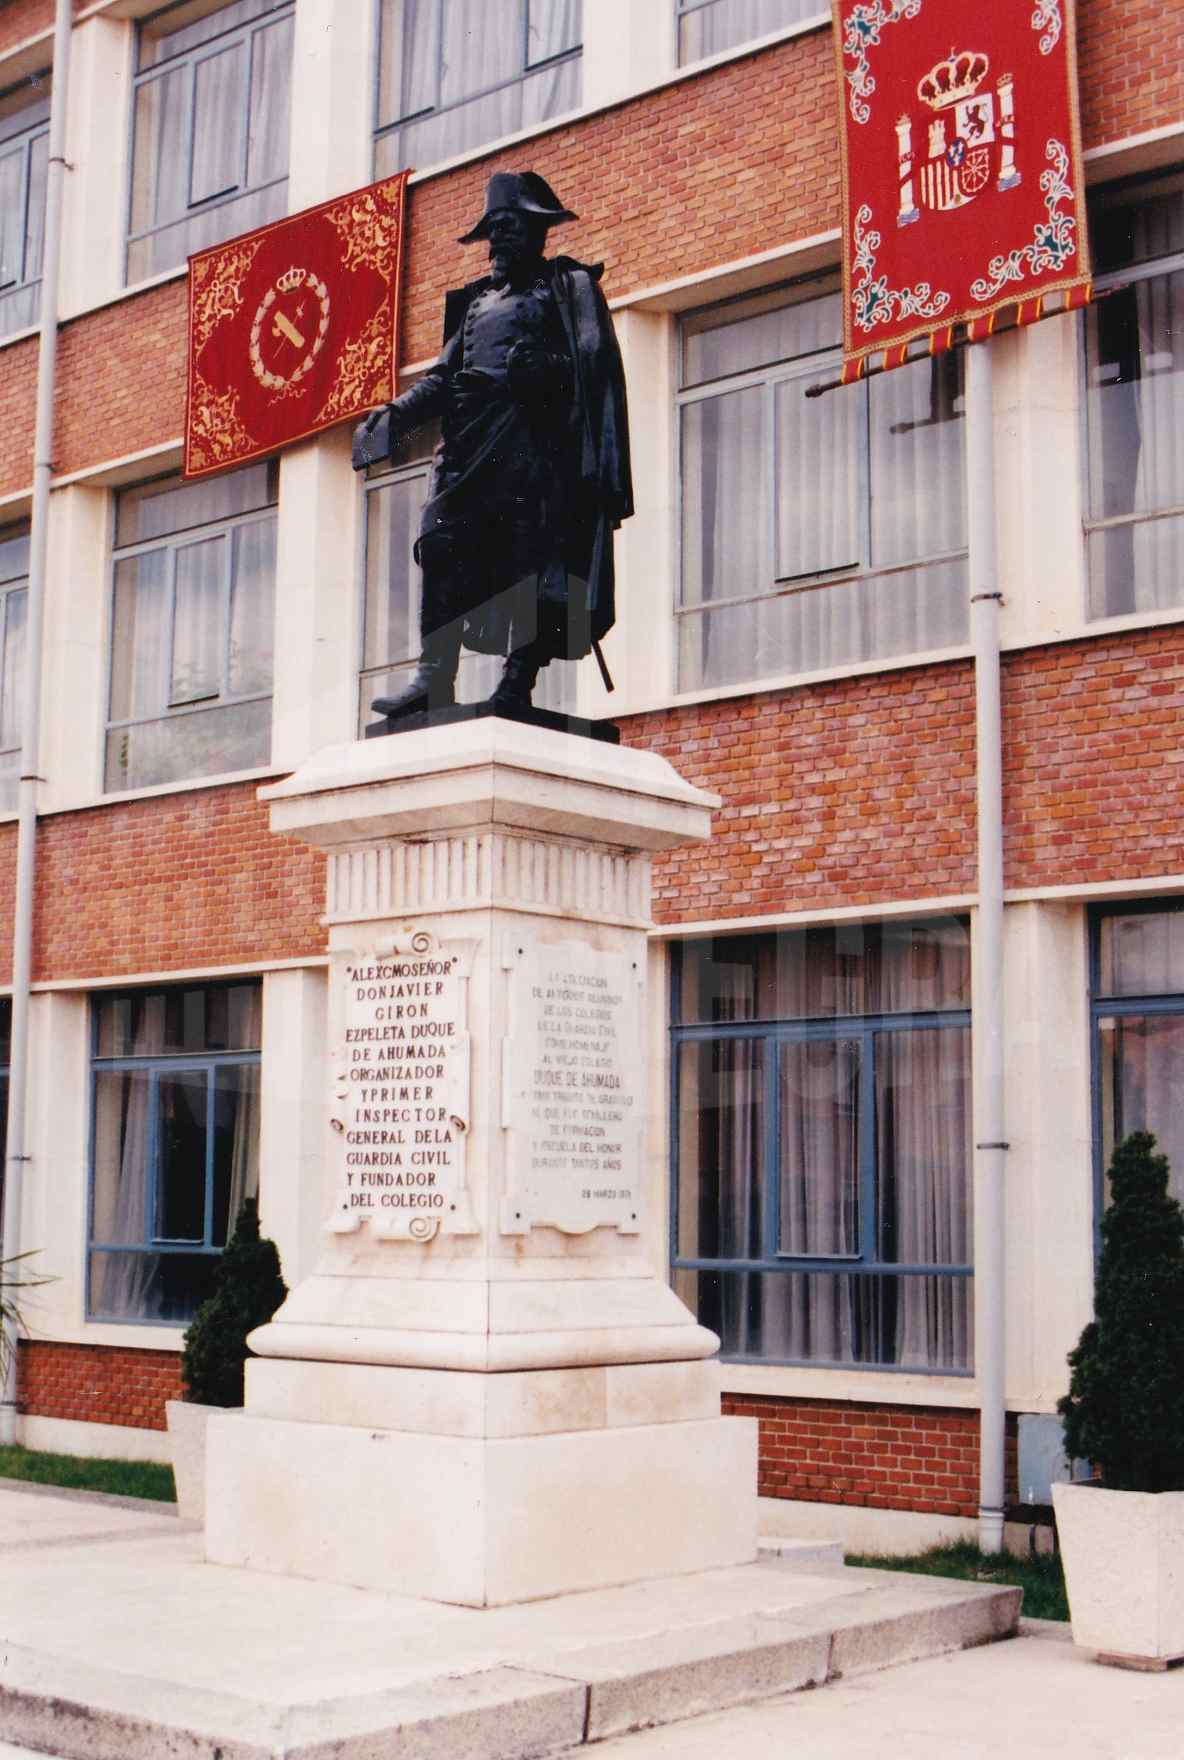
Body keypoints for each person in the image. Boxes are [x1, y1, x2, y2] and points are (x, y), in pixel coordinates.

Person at [352, 171, 632, 720]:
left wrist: (544, 368)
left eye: (509, 227)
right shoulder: (478, 303)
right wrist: (395, 416)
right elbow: (440, 377)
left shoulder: (566, 287)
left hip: (533, 446)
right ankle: (435, 675)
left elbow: (594, 363)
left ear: (537, 231)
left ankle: (517, 680)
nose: (498, 240)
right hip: (469, 444)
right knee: (438, 541)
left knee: (534, 562)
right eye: (492, 230)